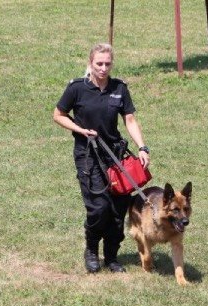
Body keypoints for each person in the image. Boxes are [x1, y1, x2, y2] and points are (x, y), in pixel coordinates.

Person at [53, 43, 150, 274]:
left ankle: (112, 257)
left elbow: (130, 120)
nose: (103, 68)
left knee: (118, 210)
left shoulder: (119, 88)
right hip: (87, 155)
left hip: (114, 156)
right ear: (90, 63)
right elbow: (58, 115)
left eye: (107, 64)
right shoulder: (77, 88)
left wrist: (143, 147)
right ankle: (91, 250)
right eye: (99, 63)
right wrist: (79, 129)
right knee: (99, 207)